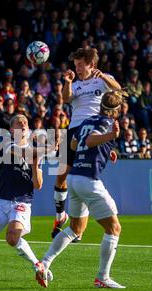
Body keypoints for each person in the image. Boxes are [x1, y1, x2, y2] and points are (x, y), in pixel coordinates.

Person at [36, 90, 126, 289]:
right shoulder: (108, 124)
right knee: (114, 228)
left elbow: (76, 143)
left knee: (76, 229)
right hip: (88, 181)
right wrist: (111, 136)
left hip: (74, 178)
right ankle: (102, 277)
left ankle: (44, 263)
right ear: (116, 110)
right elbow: (90, 140)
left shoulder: (88, 120)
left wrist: (106, 149)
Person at [52, 47, 121, 241]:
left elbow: (118, 89)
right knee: (61, 176)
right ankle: (60, 216)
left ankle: (77, 228)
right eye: (76, 65)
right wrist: (67, 82)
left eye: (81, 65)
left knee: (84, 176)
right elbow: (66, 99)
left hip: (94, 129)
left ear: (91, 64)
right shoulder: (76, 84)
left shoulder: (103, 78)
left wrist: (105, 78)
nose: (78, 68)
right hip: (74, 130)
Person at [0, 114, 46, 284]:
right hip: (0, 199)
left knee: (12, 238)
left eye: (26, 123)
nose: (23, 125)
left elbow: (38, 185)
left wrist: (36, 164)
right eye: (19, 123)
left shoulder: (36, 152)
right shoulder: (6, 144)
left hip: (22, 201)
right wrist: (46, 150)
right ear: (12, 129)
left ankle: (38, 265)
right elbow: (20, 151)